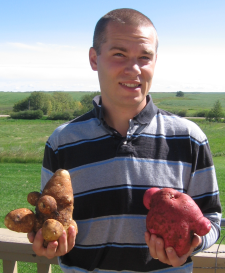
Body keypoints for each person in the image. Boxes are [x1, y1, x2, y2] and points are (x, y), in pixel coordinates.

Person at [28, 8, 222, 273]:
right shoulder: (63, 141)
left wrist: (193, 244)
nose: (134, 70)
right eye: (119, 54)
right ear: (94, 59)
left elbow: (211, 218)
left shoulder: (189, 138)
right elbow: (51, 217)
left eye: (145, 57)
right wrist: (48, 240)